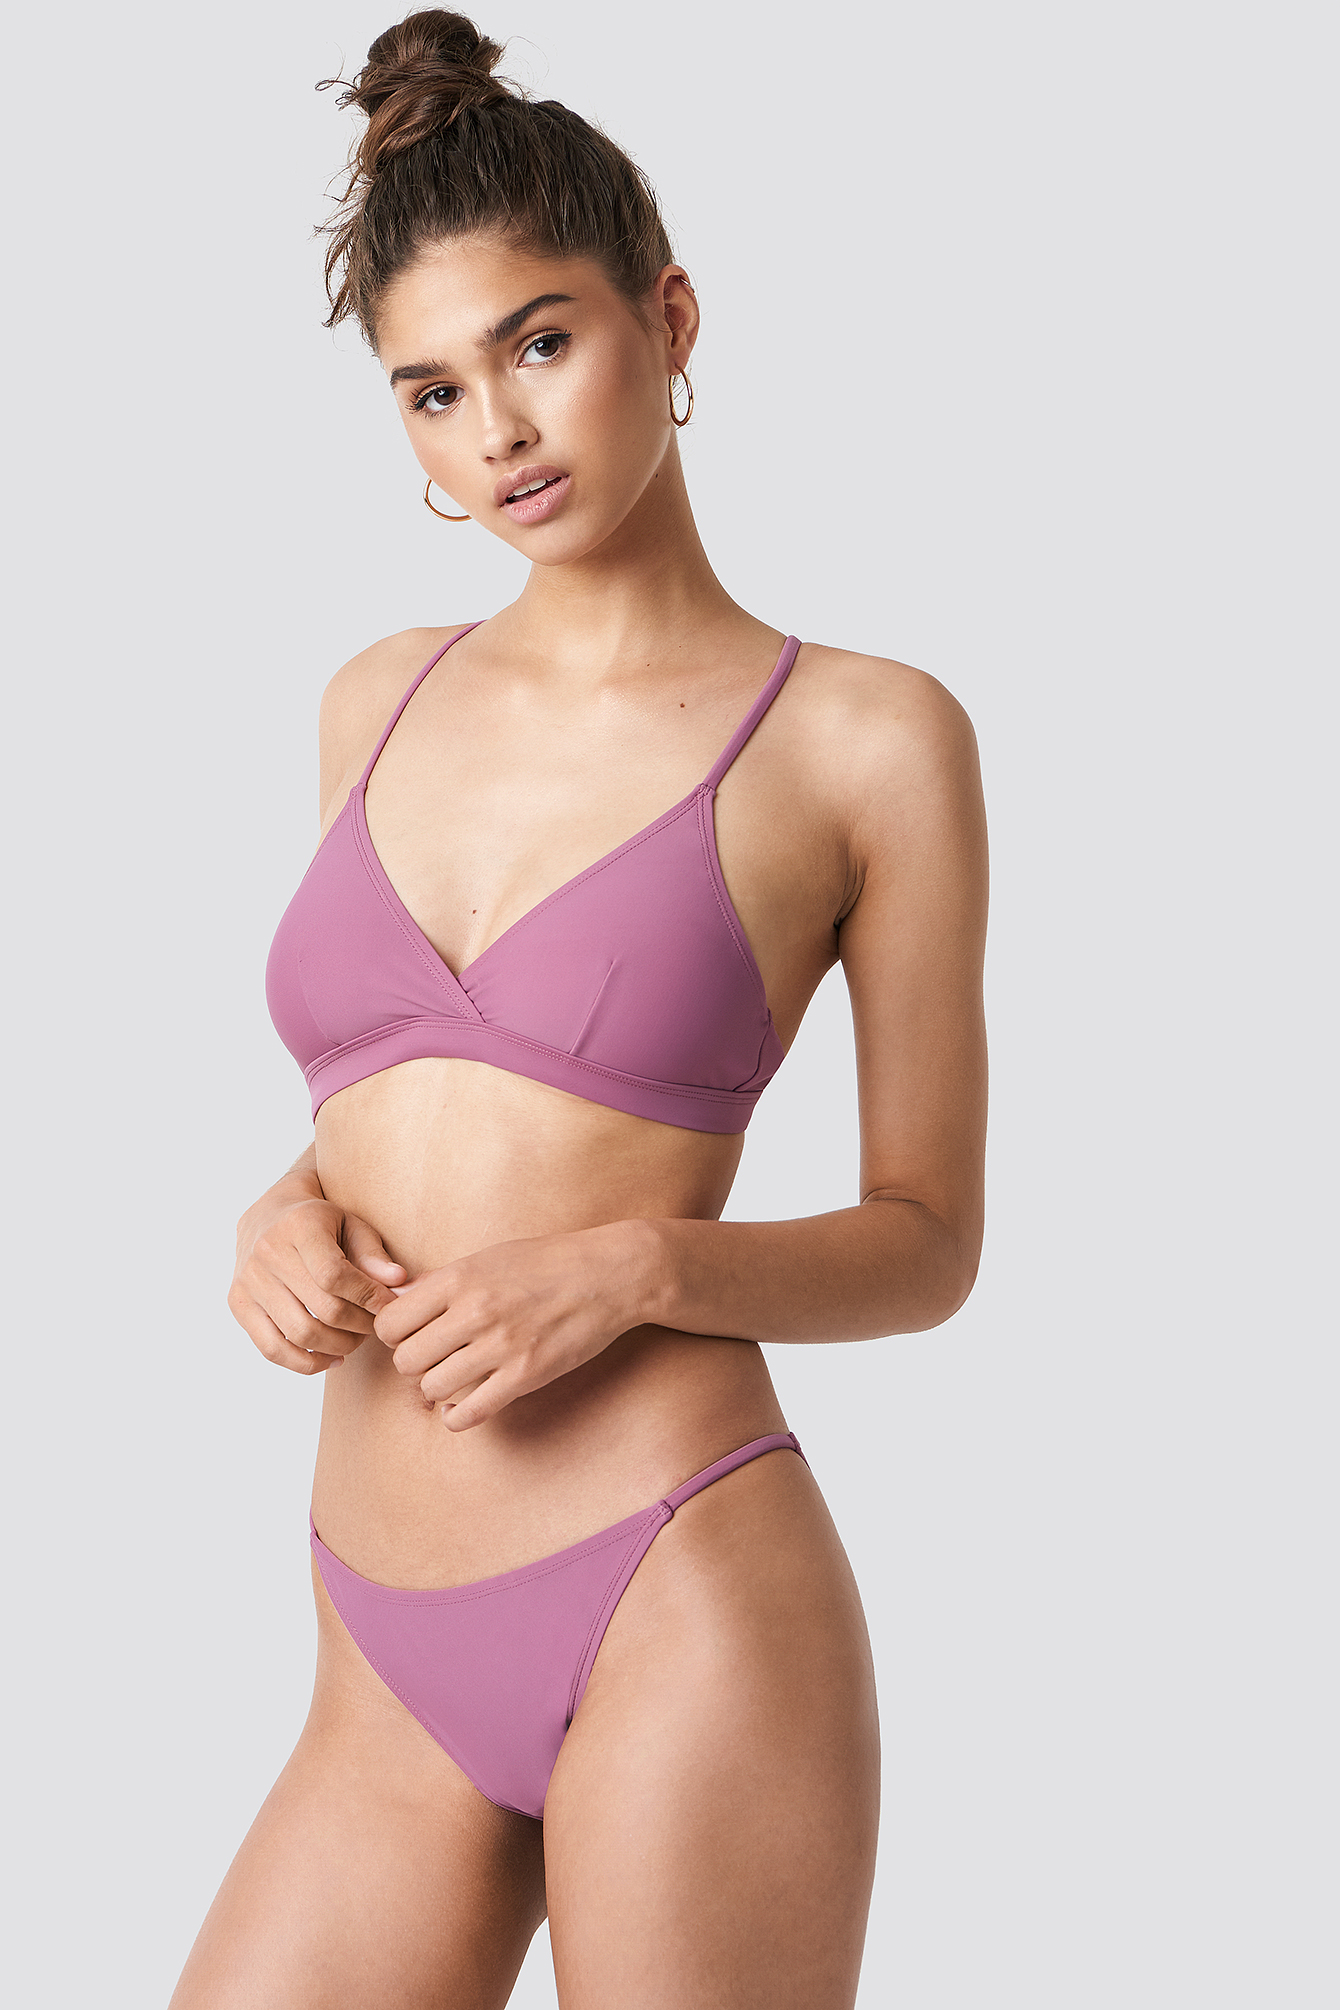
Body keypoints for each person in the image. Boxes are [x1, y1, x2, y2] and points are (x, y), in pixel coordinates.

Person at [170, 11, 988, 2006]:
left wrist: (633, 1268)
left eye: (541, 343)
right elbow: (415, 1094)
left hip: (677, 1590)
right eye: (433, 391)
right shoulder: (376, 698)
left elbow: (928, 1242)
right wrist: (285, 1206)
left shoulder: (867, 740)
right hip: (373, 1648)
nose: (499, 434)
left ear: (668, 316)